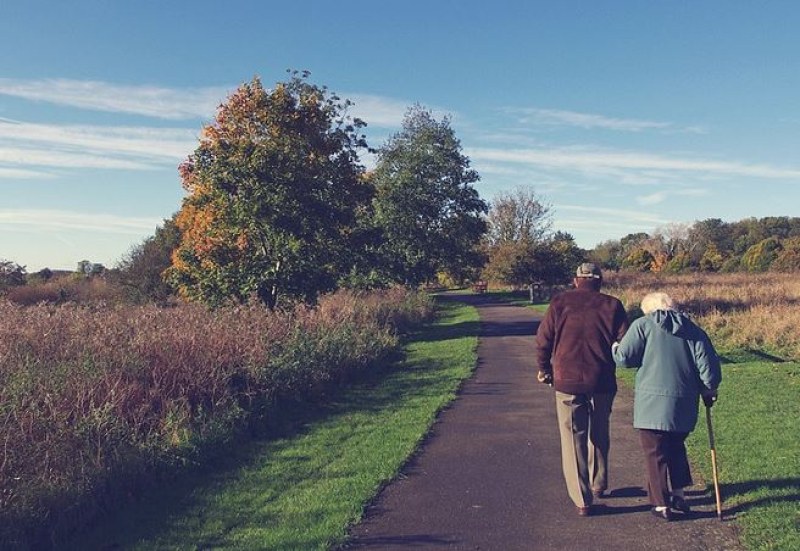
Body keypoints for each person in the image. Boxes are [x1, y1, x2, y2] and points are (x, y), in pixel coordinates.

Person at [612, 292, 722, 521]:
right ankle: (679, 494)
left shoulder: (643, 325)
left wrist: (614, 347)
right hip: (684, 403)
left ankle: (661, 503)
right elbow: (708, 370)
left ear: (648, 310)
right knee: (675, 446)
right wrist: (709, 390)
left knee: (655, 452)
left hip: (651, 403)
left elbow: (624, 359)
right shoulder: (693, 329)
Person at [535, 262, 629, 516]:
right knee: (599, 432)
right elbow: (625, 343)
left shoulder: (559, 303)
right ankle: (599, 483)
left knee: (572, 438)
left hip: (567, 380)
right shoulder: (613, 305)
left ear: (576, 280)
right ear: (599, 281)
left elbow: (543, 339)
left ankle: (582, 499)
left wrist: (544, 368)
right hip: (602, 380)